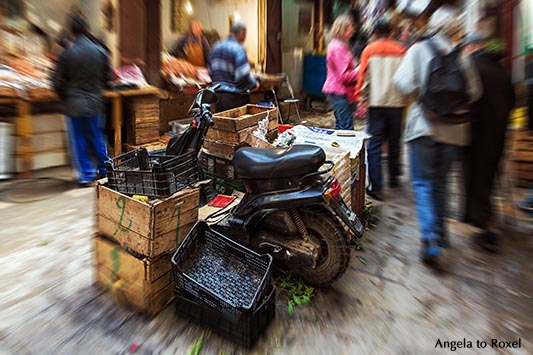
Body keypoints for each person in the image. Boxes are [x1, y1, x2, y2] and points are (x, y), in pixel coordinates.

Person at [393, 5, 482, 264]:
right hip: (454, 132)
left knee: (423, 183)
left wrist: (423, 91)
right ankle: (442, 235)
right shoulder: (462, 57)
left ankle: (430, 239)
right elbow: (475, 93)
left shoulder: (419, 50)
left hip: (424, 127)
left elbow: (402, 82)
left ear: (433, 26)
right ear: (454, 28)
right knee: (442, 184)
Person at [462, 33, 515, 252]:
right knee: (489, 175)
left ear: (472, 47)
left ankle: (477, 218)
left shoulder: (470, 65)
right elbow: (512, 100)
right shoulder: (501, 69)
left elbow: (466, 98)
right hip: (497, 134)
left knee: (472, 175)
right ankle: (482, 213)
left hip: (475, 133)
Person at [53, 15, 113, 187]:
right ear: (87, 29)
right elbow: (107, 78)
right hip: (95, 102)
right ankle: (105, 169)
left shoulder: (67, 53)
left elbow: (57, 82)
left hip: (74, 104)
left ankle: (86, 176)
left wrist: (65, 97)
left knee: (79, 139)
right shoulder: (100, 51)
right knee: (97, 136)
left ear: (71, 31)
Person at [355, 19, 407, 201]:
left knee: (375, 144)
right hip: (397, 102)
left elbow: (363, 78)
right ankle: (393, 178)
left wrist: (361, 98)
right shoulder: (401, 50)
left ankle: (376, 187)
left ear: (375, 32)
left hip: (376, 103)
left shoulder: (369, 50)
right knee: (395, 140)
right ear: (391, 31)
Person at [208, 20, 259, 112]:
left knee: (223, 124)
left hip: (218, 97)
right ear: (241, 32)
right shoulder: (238, 49)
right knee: (240, 125)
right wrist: (254, 84)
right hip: (235, 99)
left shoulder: (215, 47)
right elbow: (243, 77)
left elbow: (211, 72)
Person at [322, 14, 358, 130]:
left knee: (341, 126)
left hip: (340, 91)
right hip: (340, 92)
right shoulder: (338, 47)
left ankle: (339, 148)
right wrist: (360, 70)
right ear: (342, 29)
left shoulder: (340, 45)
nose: (352, 30)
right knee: (346, 129)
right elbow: (344, 76)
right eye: (349, 27)